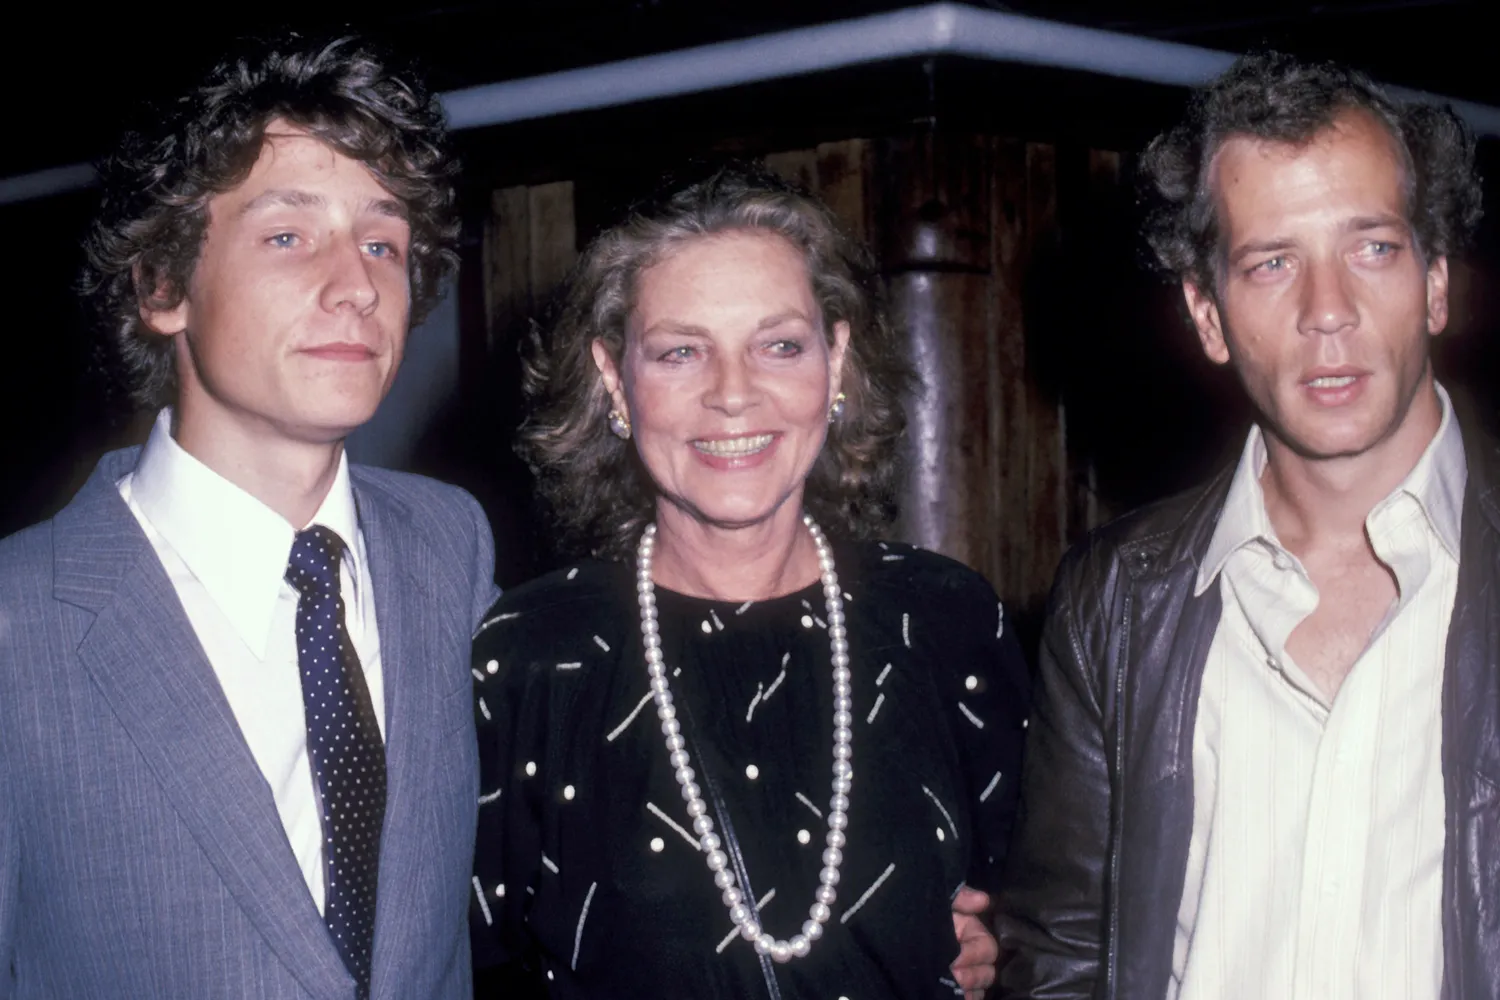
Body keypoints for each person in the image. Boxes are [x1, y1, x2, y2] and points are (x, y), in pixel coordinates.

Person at [0, 36, 499, 1000]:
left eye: (383, 242)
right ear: (161, 286)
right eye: (288, 235)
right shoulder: (19, 624)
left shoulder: (452, 547)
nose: (357, 283)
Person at [997, 52, 1492, 999]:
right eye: (1272, 263)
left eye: (1372, 248)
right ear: (1207, 315)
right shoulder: (1117, 600)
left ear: (1436, 281)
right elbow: (1059, 955)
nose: (1328, 312)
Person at [469, 166, 1029, 999]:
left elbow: (1047, 914)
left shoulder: (946, 619)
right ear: (614, 381)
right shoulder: (527, 655)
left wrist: (1001, 945)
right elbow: (467, 960)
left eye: (779, 345)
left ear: (834, 363)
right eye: (681, 352)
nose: (733, 395)